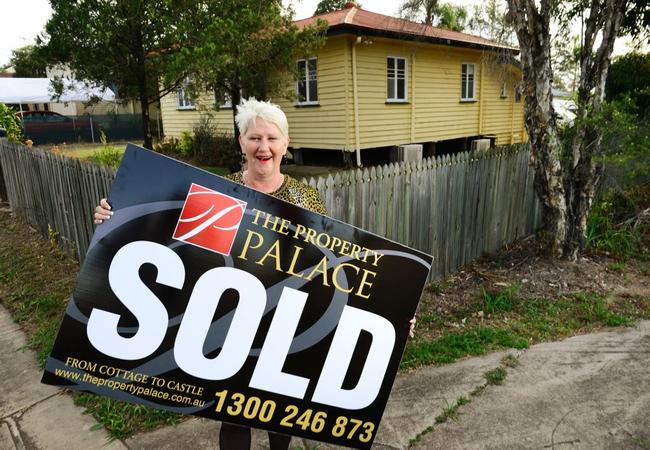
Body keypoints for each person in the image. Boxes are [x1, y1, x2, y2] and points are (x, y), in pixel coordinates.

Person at [94, 97, 415, 449]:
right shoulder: (219, 192)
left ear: (286, 145)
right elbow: (174, 243)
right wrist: (117, 219)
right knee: (232, 417)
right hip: (231, 321)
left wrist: (393, 314)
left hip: (283, 323)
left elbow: (332, 272)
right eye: (255, 137)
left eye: (272, 138)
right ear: (241, 143)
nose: (264, 147)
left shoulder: (306, 200)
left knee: (280, 417)